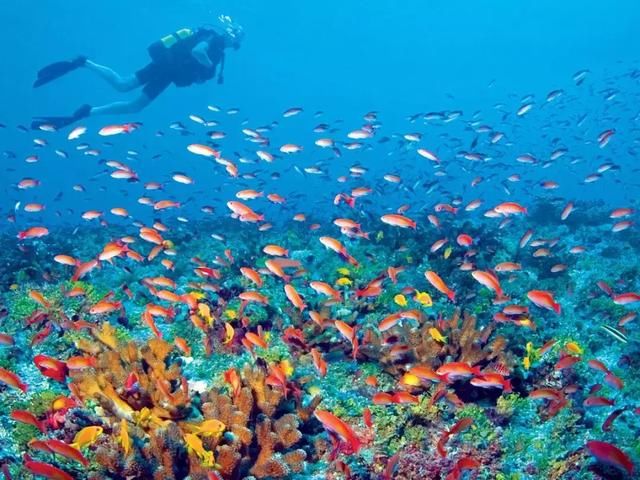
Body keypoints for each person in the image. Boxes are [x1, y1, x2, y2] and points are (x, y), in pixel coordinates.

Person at [31, 15, 243, 130]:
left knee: (129, 96)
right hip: (166, 67)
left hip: (168, 72)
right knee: (128, 94)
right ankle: (84, 67)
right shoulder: (212, 39)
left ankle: (86, 97)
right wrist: (209, 66)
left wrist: (201, 74)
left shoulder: (219, 51)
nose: (235, 43)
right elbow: (197, 52)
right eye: (236, 39)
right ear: (230, 36)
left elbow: (197, 67)